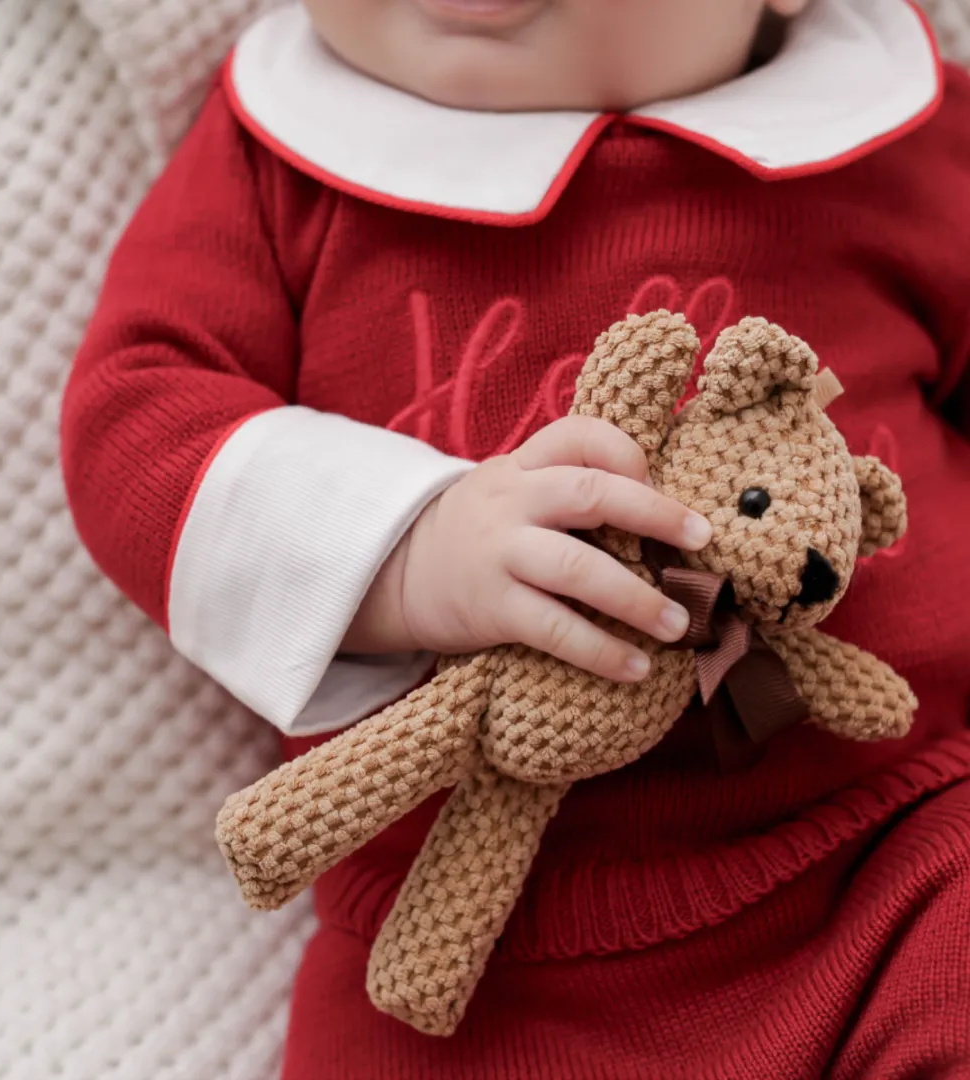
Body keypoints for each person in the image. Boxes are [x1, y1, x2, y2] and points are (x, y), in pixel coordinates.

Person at [61, 0, 970, 1075]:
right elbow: (136, 419)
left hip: (900, 851)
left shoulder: (896, 137)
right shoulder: (290, 156)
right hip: (463, 945)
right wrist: (405, 550)